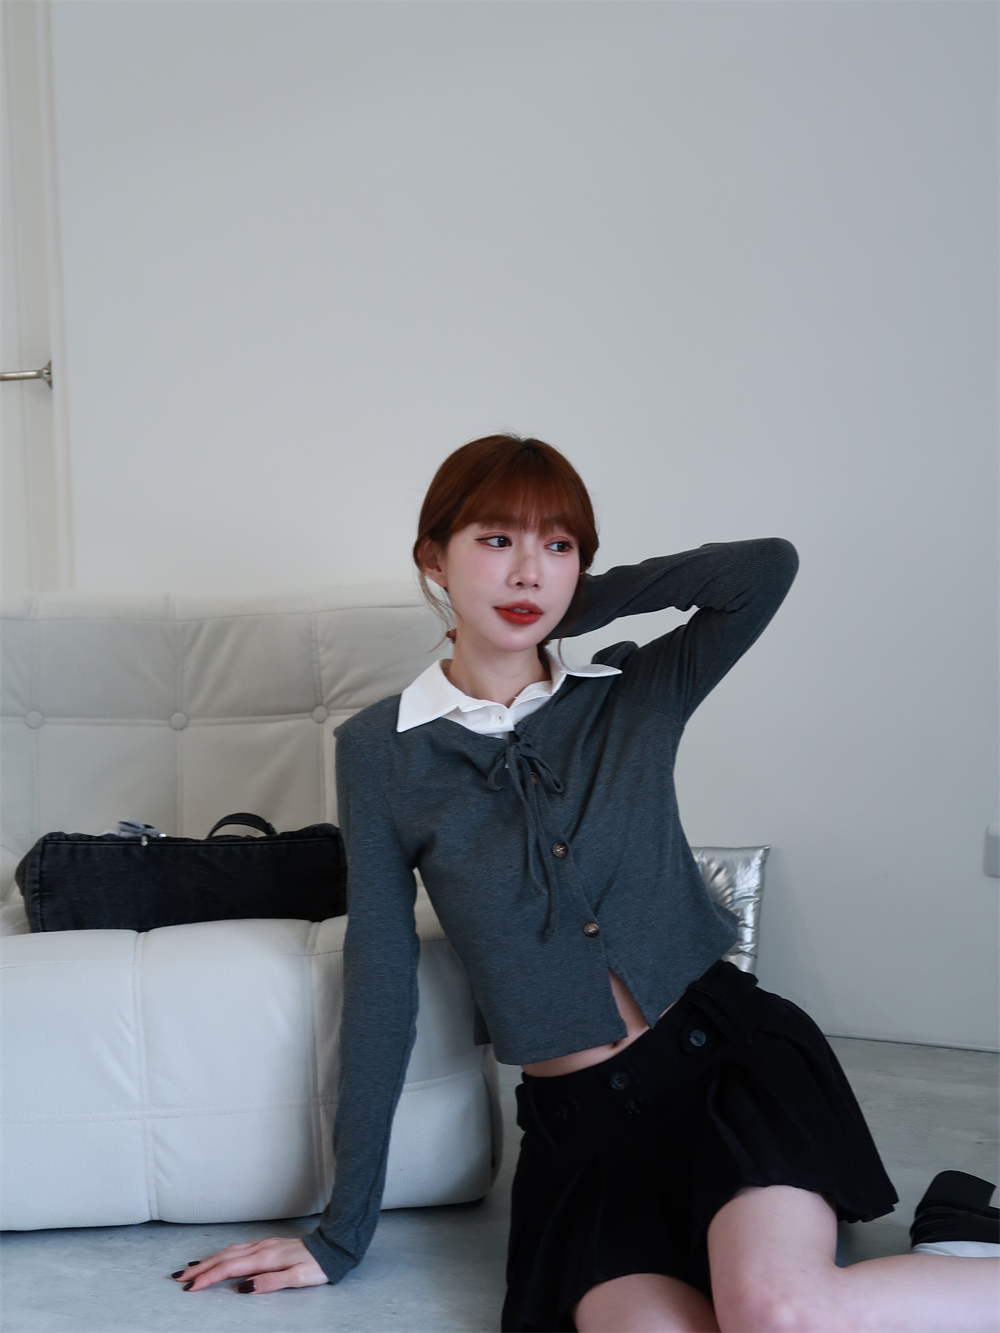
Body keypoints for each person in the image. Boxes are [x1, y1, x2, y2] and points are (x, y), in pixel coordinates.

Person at [174, 436, 999, 1331]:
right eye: (497, 540)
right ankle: (951, 1248)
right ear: (433, 558)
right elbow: (381, 978)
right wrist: (342, 1232)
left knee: (778, 1311)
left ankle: (955, 1245)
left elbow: (767, 567)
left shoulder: (634, 694)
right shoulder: (380, 751)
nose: (528, 569)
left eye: (558, 545)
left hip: (724, 1076)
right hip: (586, 1143)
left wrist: (570, 604)